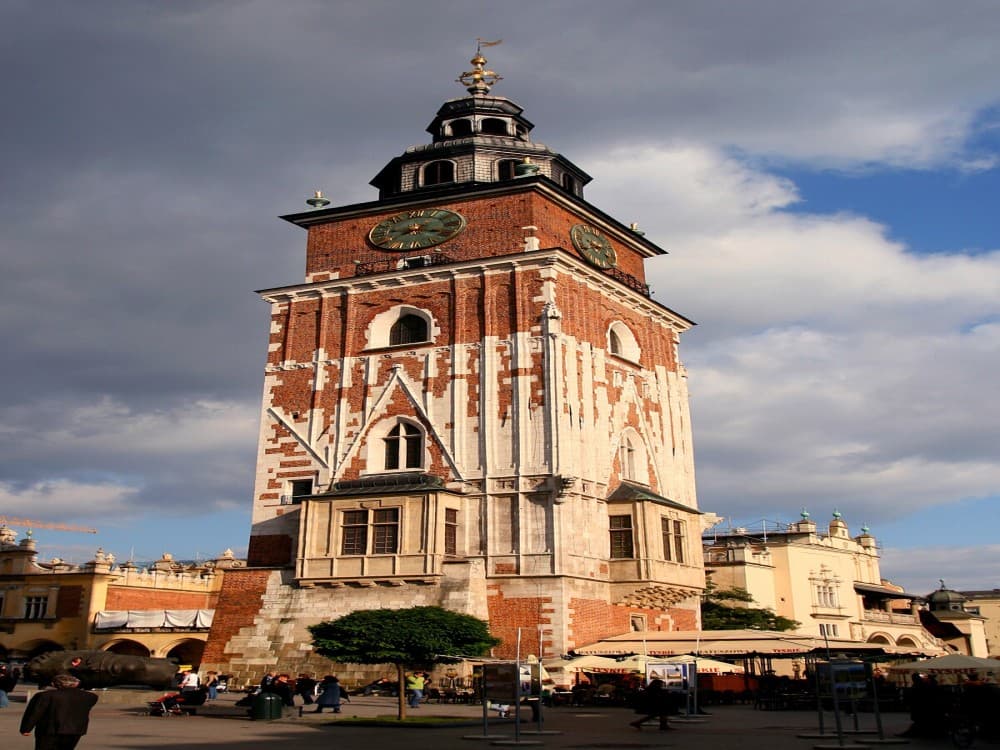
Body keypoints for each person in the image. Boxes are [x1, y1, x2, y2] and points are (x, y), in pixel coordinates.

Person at [19, 672, 99, 750]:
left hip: (49, 729)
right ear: (76, 684)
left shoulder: (45, 696)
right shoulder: (90, 697)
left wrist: (26, 728)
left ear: (54, 684)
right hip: (75, 730)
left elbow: (35, 712)